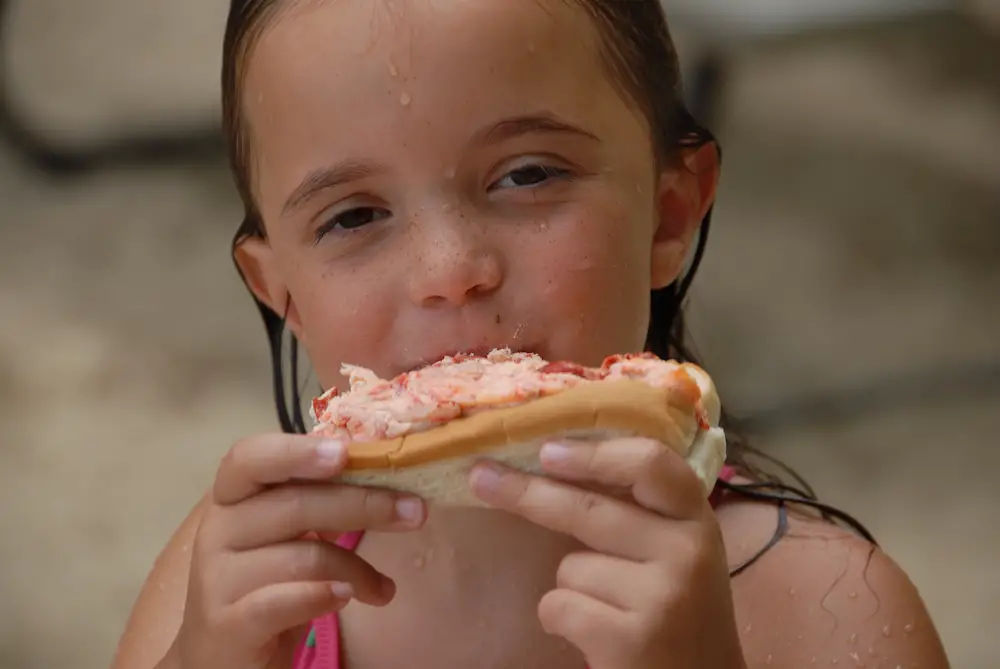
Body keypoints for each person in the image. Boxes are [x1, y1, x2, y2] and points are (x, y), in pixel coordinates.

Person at [111, 1, 951, 668]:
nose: (449, 269)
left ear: (668, 213)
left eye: (528, 174)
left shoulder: (829, 607)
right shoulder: (239, 582)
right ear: (281, 291)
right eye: (355, 216)